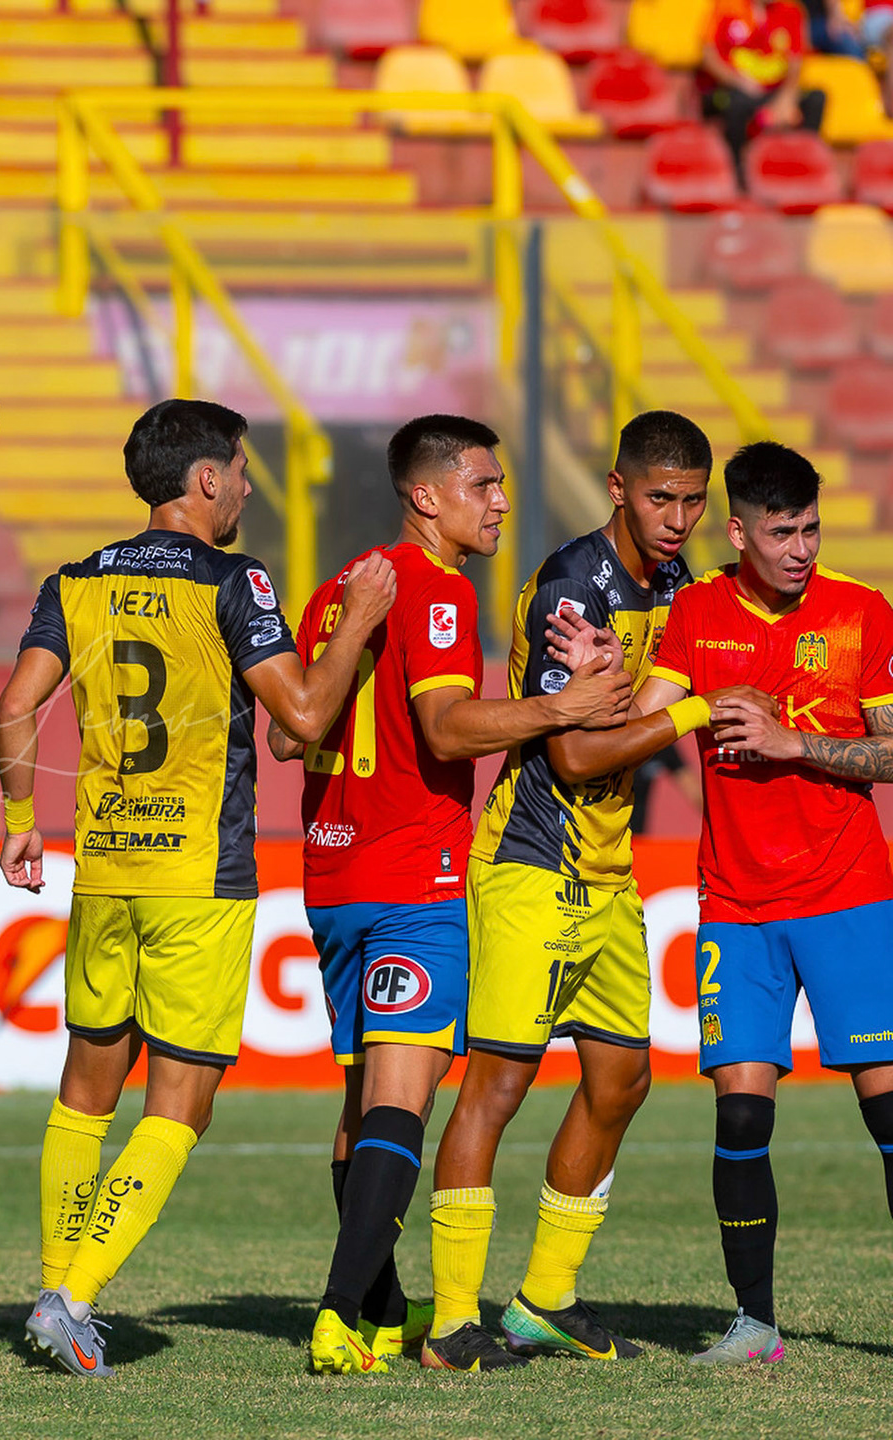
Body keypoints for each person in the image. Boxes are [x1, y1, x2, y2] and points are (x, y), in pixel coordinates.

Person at [0, 399, 398, 1378]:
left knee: (88, 1088)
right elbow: (300, 708)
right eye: (243, 471)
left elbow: (14, 708)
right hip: (198, 878)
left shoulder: (76, 579)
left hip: (105, 868)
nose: (249, 488)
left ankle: (58, 1283)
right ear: (205, 479)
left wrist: (17, 830)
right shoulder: (234, 578)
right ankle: (73, 1297)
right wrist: (358, 630)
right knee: (180, 1106)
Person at [271, 414, 633, 1376]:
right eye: (482, 484)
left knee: (362, 1107)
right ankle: (342, 1310)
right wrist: (562, 707)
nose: (501, 501)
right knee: (403, 1100)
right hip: (410, 874)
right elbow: (445, 729)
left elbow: (286, 736)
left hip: (330, 869)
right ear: (426, 496)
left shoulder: (345, 586)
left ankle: (384, 1308)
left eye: (503, 483)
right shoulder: (431, 592)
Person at [558, 441, 893, 1365]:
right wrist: (598, 683)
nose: (801, 549)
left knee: (888, 1114)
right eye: (781, 532)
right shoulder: (698, 613)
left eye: (812, 529)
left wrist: (796, 745)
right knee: (740, 1117)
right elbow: (633, 731)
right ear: (738, 531)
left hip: (850, 898)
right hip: (737, 907)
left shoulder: (862, 614)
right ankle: (755, 1325)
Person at [422, 412, 713, 1373]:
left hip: (610, 869)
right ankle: (454, 1319)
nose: (678, 517)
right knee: (498, 1087)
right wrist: (698, 710)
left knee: (622, 1080)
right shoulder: (574, 583)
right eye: (661, 497)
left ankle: (544, 1300)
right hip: (533, 862)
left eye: (693, 500)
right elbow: (576, 749)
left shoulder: (678, 586)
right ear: (619, 488)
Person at [698, 0, 827, 178]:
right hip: (734, 88)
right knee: (735, 104)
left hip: (774, 91)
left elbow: (796, 62)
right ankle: (737, 173)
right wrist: (736, 80)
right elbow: (708, 55)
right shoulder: (726, 6)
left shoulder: (791, 10)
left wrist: (786, 98)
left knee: (816, 99)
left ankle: (803, 168)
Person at [630, 744, 701, 834]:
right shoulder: (615, 740)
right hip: (610, 831)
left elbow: (695, 792)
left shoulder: (660, 743)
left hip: (635, 835)